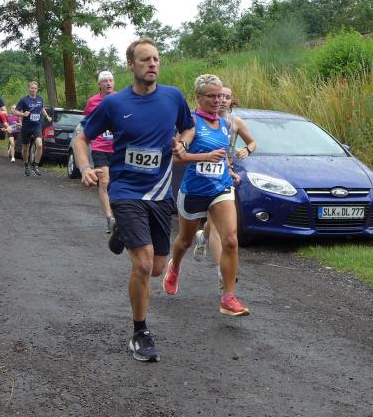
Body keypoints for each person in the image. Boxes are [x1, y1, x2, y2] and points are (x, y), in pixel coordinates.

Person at [74, 37, 195, 363]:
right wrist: (85, 168)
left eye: (156, 59)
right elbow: (82, 138)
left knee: (156, 268)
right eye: (145, 59)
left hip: (160, 193)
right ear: (130, 65)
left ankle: (123, 233)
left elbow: (189, 128)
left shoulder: (173, 97)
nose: (152, 64)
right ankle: (140, 332)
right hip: (125, 191)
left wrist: (182, 143)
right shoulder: (114, 104)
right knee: (142, 263)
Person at [162, 74, 250, 317]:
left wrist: (228, 170)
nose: (218, 100)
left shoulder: (225, 124)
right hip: (194, 190)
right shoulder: (191, 123)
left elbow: (222, 156)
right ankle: (175, 266)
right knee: (185, 241)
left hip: (220, 188)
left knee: (230, 239)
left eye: (221, 96)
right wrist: (204, 157)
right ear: (199, 97)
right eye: (212, 96)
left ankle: (228, 298)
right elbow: (176, 158)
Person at [193, 86, 257, 276]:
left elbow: (253, 142)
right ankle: (220, 270)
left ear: (231, 101)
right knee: (214, 222)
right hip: (206, 174)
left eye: (227, 97)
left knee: (215, 222)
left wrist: (247, 150)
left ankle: (204, 241)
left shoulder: (234, 122)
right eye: (219, 96)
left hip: (226, 173)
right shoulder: (202, 121)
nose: (222, 100)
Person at [83, 70, 117, 233]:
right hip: (100, 147)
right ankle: (110, 218)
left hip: (117, 148)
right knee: (104, 181)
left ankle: (121, 215)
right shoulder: (92, 102)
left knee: (117, 184)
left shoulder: (120, 99)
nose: (108, 83)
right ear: (99, 84)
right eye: (105, 81)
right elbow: (87, 124)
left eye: (110, 80)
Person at [14, 81, 51, 176]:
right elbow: (15, 111)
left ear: (37, 89)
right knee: (25, 148)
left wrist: (47, 116)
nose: (33, 89)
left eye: (35, 88)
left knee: (39, 145)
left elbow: (41, 108)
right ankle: (26, 165)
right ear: (29, 89)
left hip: (37, 126)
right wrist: (23, 114)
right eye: (32, 88)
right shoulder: (24, 100)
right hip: (26, 126)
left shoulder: (40, 99)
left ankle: (36, 165)